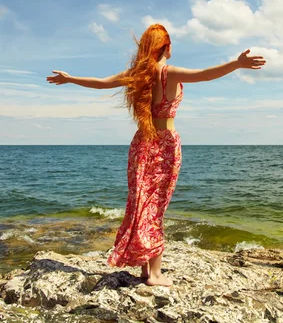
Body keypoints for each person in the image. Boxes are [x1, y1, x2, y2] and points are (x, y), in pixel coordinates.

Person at [46, 23, 265, 286]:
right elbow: (205, 74)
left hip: (141, 143)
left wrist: (70, 79)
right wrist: (236, 64)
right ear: (166, 47)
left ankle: (145, 270)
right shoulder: (168, 73)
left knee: (142, 206)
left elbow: (101, 83)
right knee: (156, 209)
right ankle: (156, 275)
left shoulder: (139, 74)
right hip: (165, 145)